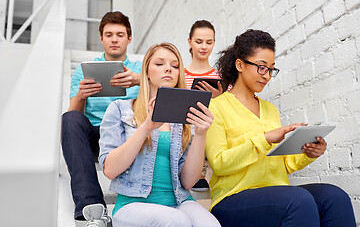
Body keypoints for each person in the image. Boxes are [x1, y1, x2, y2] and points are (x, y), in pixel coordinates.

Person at [205, 29, 356, 227]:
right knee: (298, 200)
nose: (267, 76)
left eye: (271, 69)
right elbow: (219, 163)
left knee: (334, 196)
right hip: (232, 198)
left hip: (276, 193)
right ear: (240, 65)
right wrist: (265, 138)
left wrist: (309, 154)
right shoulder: (216, 106)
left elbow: (281, 165)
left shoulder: (270, 109)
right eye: (261, 67)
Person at [98, 43, 221, 227]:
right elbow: (109, 170)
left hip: (179, 201)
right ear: (146, 71)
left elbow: (187, 182)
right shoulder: (120, 109)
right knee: (176, 221)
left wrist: (201, 134)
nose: (168, 69)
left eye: (175, 66)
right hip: (133, 204)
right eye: (160, 64)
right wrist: (146, 127)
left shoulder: (184, 120)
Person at [61, 11, 142, 226]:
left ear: (129, 38)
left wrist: (138, 80)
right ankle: (92, 208)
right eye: (109, 35)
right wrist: (81, 96)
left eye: (120, 34)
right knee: (69, 118)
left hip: (128, 135)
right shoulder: (83, 71)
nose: (114, 39)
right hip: (95, 136)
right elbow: (74, 112)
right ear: (101, 38)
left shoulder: (141, 70)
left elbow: (164, 92)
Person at [185, 20, 221, 192]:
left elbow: (231, 107)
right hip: (186, 127)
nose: (204, 47)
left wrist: (219, 97)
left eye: (209, 42)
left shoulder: (221, 77)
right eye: (199, 42)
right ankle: (195, 171)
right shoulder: (179, 74)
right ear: (189, 42)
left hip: (212, 127)